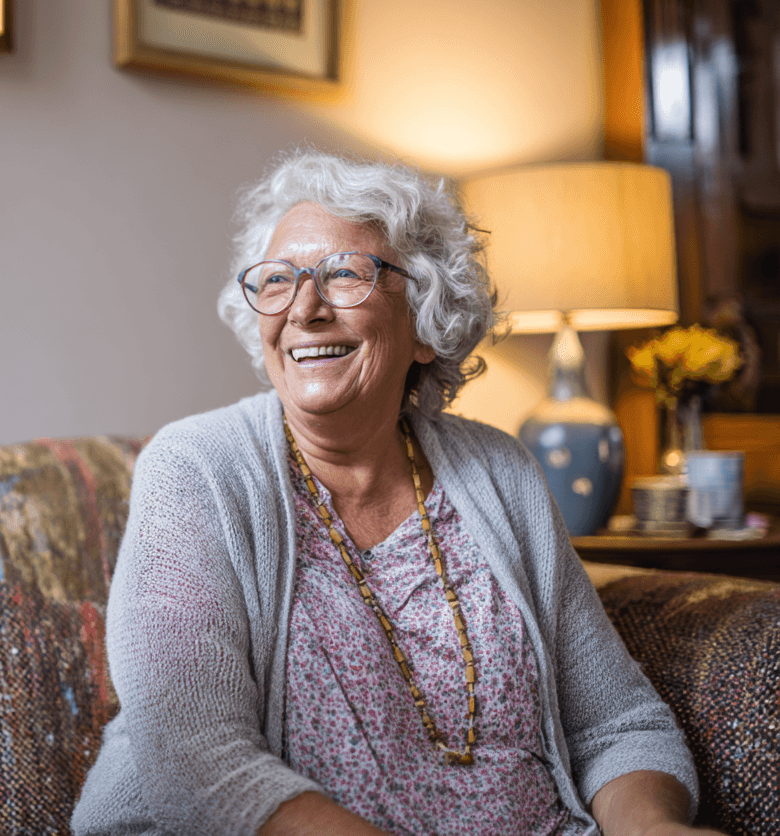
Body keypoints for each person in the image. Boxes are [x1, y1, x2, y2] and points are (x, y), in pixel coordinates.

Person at [73, 150, 719, 836]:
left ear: (425, 320)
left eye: (345, 275)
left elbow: (616, 722)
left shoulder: (500, 472)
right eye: (278, 281)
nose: (305, 309)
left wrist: (656, 830)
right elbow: (200, 761)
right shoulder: (197, 468)